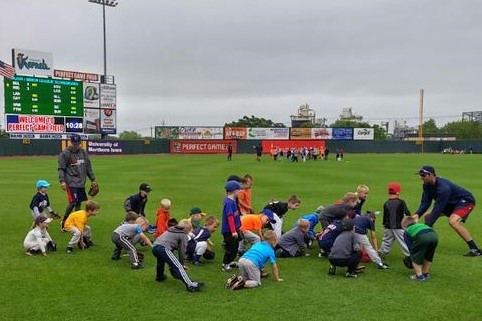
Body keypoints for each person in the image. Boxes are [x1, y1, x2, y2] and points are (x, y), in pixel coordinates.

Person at [413, 165, 481, 256]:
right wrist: (417, 214)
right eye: (420, 175)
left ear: (432, 175)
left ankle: (475, 249)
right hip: (448, 203)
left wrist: (425, 227)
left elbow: (438, 208)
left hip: (465, 201)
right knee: (428, 216)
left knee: (453, 221)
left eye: (423, 175)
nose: (421, 178)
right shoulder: (426, 185)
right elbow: (425, 202)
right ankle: (429, 241)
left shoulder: (443, 188)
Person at [152, 219, 204, 292]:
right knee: (178, 266)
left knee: (160, 262)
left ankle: (160, 277)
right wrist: (182, 264)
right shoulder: (183, 235)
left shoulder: (170, 230)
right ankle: (190, 285)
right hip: (164, 248)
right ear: (187, 230)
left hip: (155, 247)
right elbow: (182, 251)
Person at [58, 134, 97, 230]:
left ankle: (76, 222)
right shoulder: (65, 153)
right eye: (75, 143)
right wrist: (62, 181)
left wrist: (93, 179)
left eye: (78, 143)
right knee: (73, 202)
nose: (76, 145)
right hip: (71, 182)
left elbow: (88, 167)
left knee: (78, 203)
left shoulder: (83, 152)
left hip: (81, 183)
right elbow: (61, 168)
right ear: (71, 142)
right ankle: (64, 222)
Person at [378, 183, 411, 261]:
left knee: (386, 240)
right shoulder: (401, 202)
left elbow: (385, 216)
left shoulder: (386, 203)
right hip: (399, 226)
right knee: (403, 241)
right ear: (398, 192)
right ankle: (410, 255)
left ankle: (381, 253)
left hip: (388, 226)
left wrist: (384, 225)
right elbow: (407, 212)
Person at [402, 216, 438, 281]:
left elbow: (410, 246)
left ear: (404, 224)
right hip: (434, 236)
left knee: (415, 257)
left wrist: (412, 256)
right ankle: (425, 273)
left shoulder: (407, 231)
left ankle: (419, 276)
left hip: (422, 237)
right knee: (428, 256)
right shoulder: (421, 225)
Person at [221, 180, 243, 272]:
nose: (239, 192)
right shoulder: (229, 203)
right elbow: (230, 217)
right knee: (231, 247)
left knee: (235, 246)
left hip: (234, 229)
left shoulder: (232, 201)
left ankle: (230, 262)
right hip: (229, 230)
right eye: (238, 191)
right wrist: (233, 231)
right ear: (234, 191)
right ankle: (225, 264)